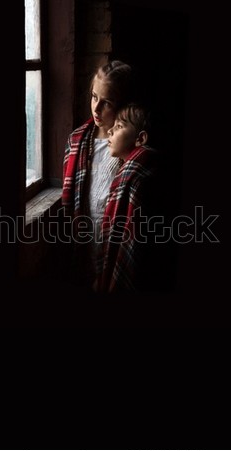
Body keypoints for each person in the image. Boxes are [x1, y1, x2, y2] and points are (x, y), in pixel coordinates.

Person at [62, 60, 136, 289]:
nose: (96, 108)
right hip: (84, 243)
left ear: (123, 105)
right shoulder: (77, 142)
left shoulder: (131, 147)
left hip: (113, 245)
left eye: (106, 103)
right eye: (94, 97)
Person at [94, 103, 166, 293]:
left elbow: (132, 241)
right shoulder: (130, 170)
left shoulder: (138, 178)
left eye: (118, 126)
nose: (109, 131)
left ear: (140, 138)